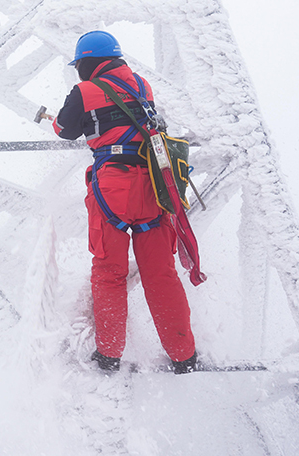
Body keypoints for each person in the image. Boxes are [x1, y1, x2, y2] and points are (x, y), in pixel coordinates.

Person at [52, 31, 197, 374]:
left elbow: (63, 129)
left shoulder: (84, 91)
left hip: (113, 189)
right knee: (161, 274)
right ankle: (184, 355)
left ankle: (109, 355)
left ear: (86, 63)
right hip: (154, 187)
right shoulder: (141, 86)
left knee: (109, 273)